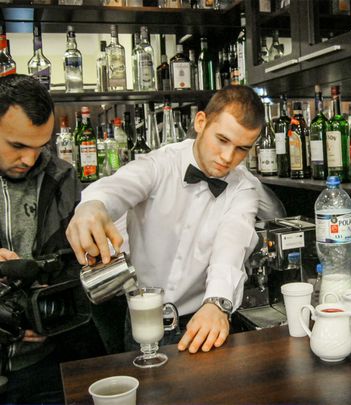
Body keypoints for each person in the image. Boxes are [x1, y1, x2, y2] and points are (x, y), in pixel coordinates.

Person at [66, 85, 265, 353]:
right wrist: (92, 206)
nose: (228, 157)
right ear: (201, 122)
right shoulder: (160, 164)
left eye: (242, 149)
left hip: (201, 321)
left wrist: (217, 303)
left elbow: (232, 244)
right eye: (222, 140)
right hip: (142, 316)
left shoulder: (243, 189)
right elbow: (118, 186)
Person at [0, 74, 104, 403]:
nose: (30, 160)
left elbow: (75, 268)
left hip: (44, 366)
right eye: (18, 146)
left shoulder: (62, 176)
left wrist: (48, 310)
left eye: (40, 146)